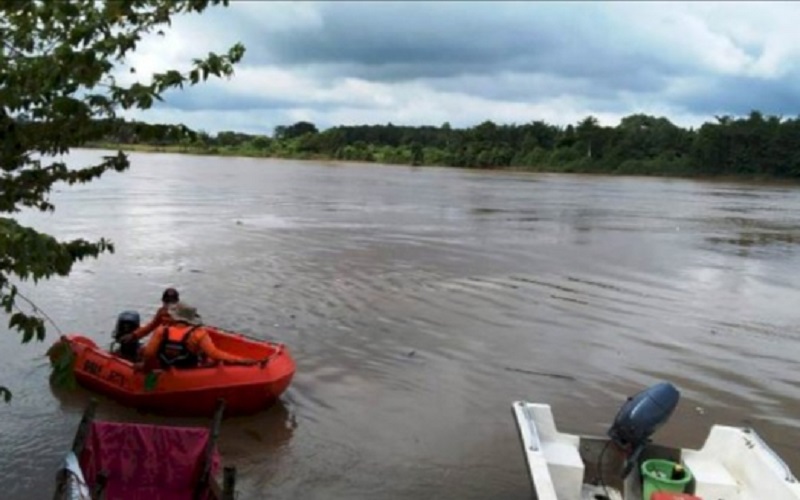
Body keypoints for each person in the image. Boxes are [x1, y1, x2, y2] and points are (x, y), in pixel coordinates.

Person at [135, 302, 259, 371]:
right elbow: (214, 354)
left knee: (142, 350)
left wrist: (144, 367)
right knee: (206, 357)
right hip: (188, 370)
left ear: (175, 317)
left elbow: (149, 354)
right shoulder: (198, 333)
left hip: (165, 368)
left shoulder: (161, 331)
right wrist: (242, 360)